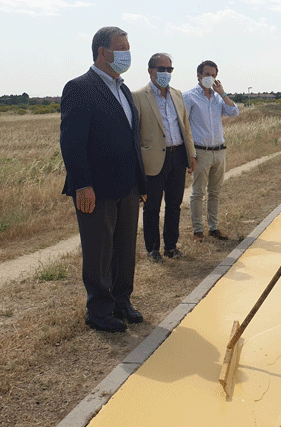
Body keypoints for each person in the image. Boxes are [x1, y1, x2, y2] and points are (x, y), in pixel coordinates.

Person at [59, 26, 147, 333]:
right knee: (99, 251)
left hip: (127, 184)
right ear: (103, 52)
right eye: (121, 48)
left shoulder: (123, 89)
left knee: (124, 247)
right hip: (95, 188)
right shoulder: (80, 87)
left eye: (128, 47)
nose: (127, 54)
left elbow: (131, 139)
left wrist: (140, 183)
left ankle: (122, 302)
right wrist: (82, 184)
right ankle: (99, 310)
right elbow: (72, 143)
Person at [132, 53, 197, 262]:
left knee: (174, 204)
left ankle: (171, 247)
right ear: (150, 70)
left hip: (177, 156)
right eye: (162, 69)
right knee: (151, 207)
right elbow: (134, 133)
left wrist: (191, 154)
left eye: (169, 69)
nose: (166, 73)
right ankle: (152, 250)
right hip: (152, 160)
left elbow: (185, 127)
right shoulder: (139, 96)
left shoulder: (177, 95)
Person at [183, 60, 240, 242]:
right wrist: (188, 153)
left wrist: (222, 93)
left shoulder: (217, 98)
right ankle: (198, 230)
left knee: (215, 192)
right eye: (207, 74)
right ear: (199, 75)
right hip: (201, 152)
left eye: (214, 75)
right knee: (198, 193)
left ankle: (214, 228)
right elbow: (183, 124)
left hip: (219, 151)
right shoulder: (189, 97)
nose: (211, 78)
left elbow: (234, 112)